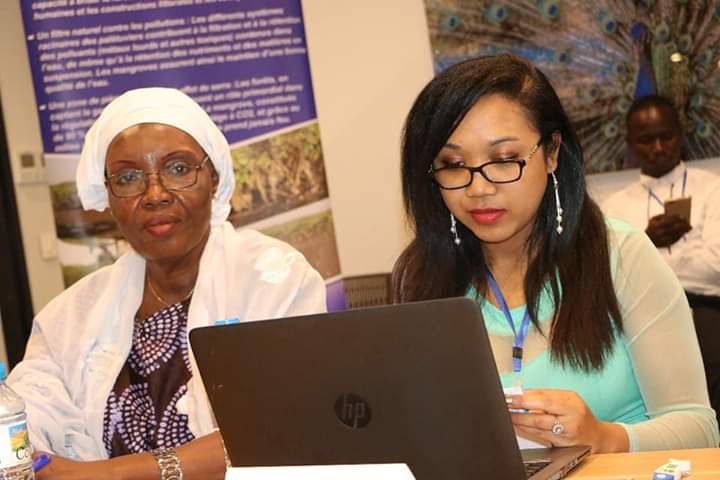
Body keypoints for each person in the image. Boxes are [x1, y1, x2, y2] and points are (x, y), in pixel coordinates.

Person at [392, 54, 719, 452]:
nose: (478, 188)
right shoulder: (421, 276)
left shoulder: (619, 256)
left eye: (504, 160)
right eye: (454, 164)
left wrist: (603, 437)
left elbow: (699, 429)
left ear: (551, 152)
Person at [7, 87, 326, 479]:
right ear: (108, 196)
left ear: (213, 178)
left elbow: (282, 425)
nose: (155, 195)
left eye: (178, 169)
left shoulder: (274, 280)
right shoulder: (71, 315)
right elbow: (23, 416)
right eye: (128, 177)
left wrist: (109, 474)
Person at [601, 94, 720, 427]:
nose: (657, 148)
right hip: (640, 313)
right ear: (629, 143)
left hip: (705, 307)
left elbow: (714, 267)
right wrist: (648, 242)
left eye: (665, 137)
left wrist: (641, 258)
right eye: (646, 140)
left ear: (681, 135)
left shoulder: (713, 189)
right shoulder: (614, 207)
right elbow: (610, 275)